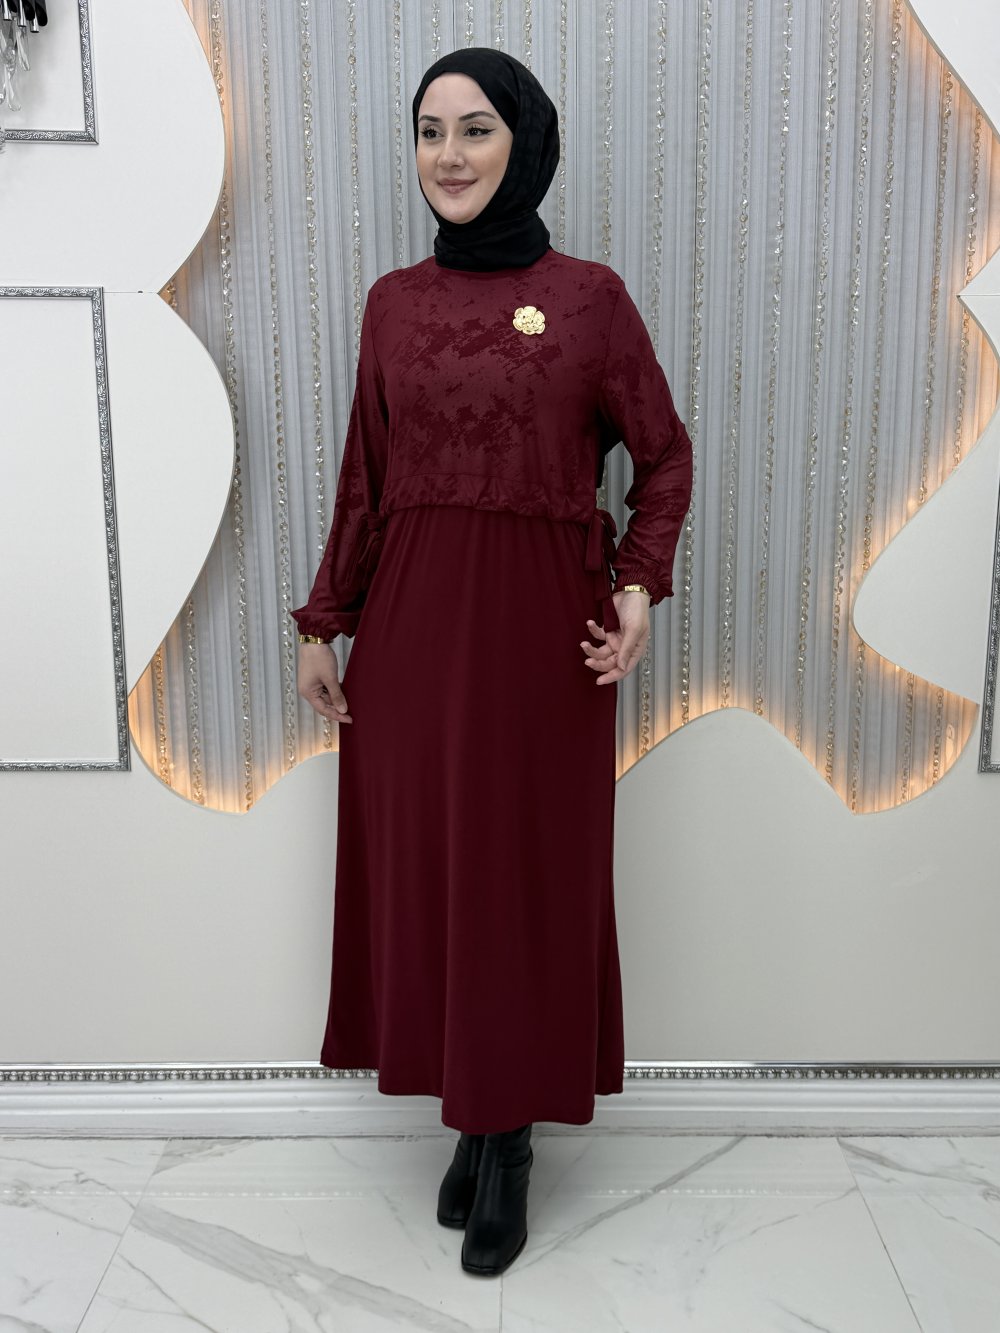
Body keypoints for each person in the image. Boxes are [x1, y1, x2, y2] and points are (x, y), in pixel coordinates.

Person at [293, 46, 693, 1278]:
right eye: (429, 131)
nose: (449, 154)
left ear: (524, 142)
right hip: (413, 630)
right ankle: (470, 1116)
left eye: (475, 128)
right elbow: (365, 476)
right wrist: (323, 621)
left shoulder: (589, 300)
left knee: (519, 878)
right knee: (433, 875)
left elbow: (664, 458)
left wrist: (636, 587)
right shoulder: (392, 303)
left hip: (539, 640)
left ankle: (508, 1141)